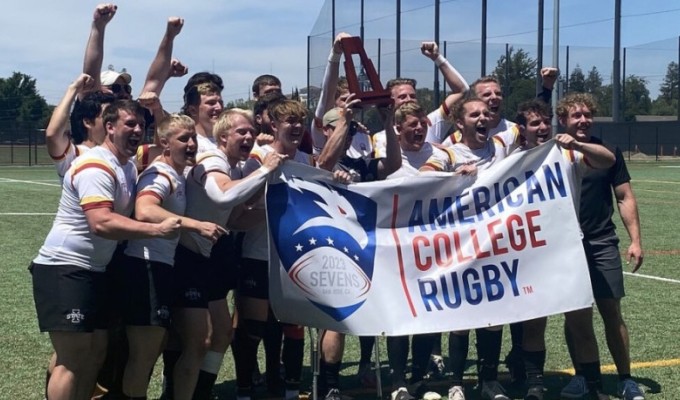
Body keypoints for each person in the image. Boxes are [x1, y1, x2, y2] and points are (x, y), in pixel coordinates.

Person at [30, 100, 181, 400]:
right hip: (65, 268)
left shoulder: (125, 165)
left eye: (142, 124)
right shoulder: (96, 165)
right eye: (130, 124)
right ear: (109, 127)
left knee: (95, 353)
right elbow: (101, 222)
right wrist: (156, 229)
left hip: (93, 271)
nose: (138, 130)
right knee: (71, 360)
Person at [509, 99, 615, 400]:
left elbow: (608, 160)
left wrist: (580, 146)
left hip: (568, 249)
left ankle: (594, 387)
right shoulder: (511, 158)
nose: (542, 128)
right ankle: (535, 385)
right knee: (534, 323)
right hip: (531, 251)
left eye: (545, 122)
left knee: (581, 322)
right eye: (534, 123)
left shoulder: (566, 153)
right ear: (522, 129)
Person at [116, 114, 226, 398]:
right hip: (145, 267)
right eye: (183, 139)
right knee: (144, 356)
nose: (191, 144)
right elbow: (146, 210)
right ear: (164, 143)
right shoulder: (160, 174)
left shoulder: (178, 172)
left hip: (164, 267)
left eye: (193, 138)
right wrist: (195, 225)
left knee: (170, 344)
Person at [557, 93, 645, 400]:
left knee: (611, 310)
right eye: (575, 116)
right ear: (562, 120)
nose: (583, 120)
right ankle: (582, 375)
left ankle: (626, 378)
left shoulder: (607, 151)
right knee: (575, 314)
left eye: (587, 115)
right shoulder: (551, 155)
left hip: (601, 242)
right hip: (565, 246)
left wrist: (635, 240)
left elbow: (624, 196)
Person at [314, 94, 401, 400]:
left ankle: (364, 366)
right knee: (338, 317)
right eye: (341, 128)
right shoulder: (319, 159)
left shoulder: (360, 161)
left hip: (367, 246)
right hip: (332, 249)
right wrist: (346, 120)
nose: (350, 133)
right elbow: (323, 163)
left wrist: (388, 124)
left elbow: (392, 165)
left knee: (369, 312)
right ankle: (331, 384)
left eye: (352, 128)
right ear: (327, 130)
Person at [234, 99, 316, 400]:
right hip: (258, 253)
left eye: (300, 122)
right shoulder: (257, 157)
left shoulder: (307, 161)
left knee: (293, 324)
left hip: (294, 256)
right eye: (289, 121)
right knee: (252, 327)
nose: (295, 127)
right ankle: (244, 389)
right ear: (274, 125)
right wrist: (267, 175)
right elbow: (242, 205)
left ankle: (290, 390)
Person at [372, 41, 469, 157]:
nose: (408, 100)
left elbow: (462, 91)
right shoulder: (380, 137)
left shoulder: (430, 122)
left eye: (412, 96)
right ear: (389, 101)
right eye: (402, 97)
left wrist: (437, 57)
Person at [310, 32, 373, 159]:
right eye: (344, 99)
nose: (350, 101)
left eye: (353, 97)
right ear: (333, 103)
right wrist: (335, 55)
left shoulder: (362, 134)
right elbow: (327, 93)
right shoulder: (325, 128)